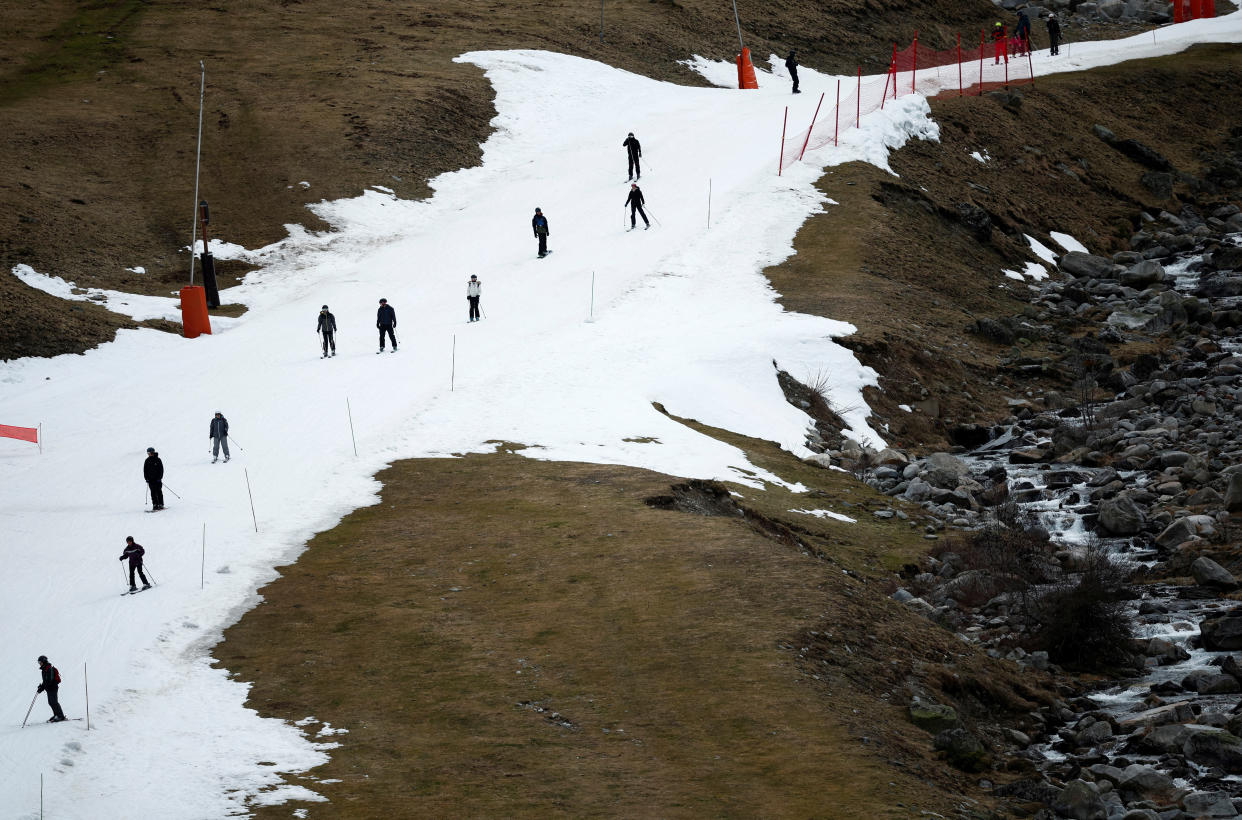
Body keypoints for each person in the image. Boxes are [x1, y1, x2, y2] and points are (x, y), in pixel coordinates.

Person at [36, 655, 66, 722]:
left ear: (44, 661)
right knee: (51, 702)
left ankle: (61, 716)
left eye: (40, 662)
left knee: (54, 702)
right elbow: (45, 681)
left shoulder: (49, 668)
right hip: (49, 688)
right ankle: (56, 715)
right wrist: (41, 687)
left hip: (53, 688)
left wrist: (43, 687)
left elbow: (50, 680)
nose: (39, 663)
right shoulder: (44, 669)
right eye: (38, 662)